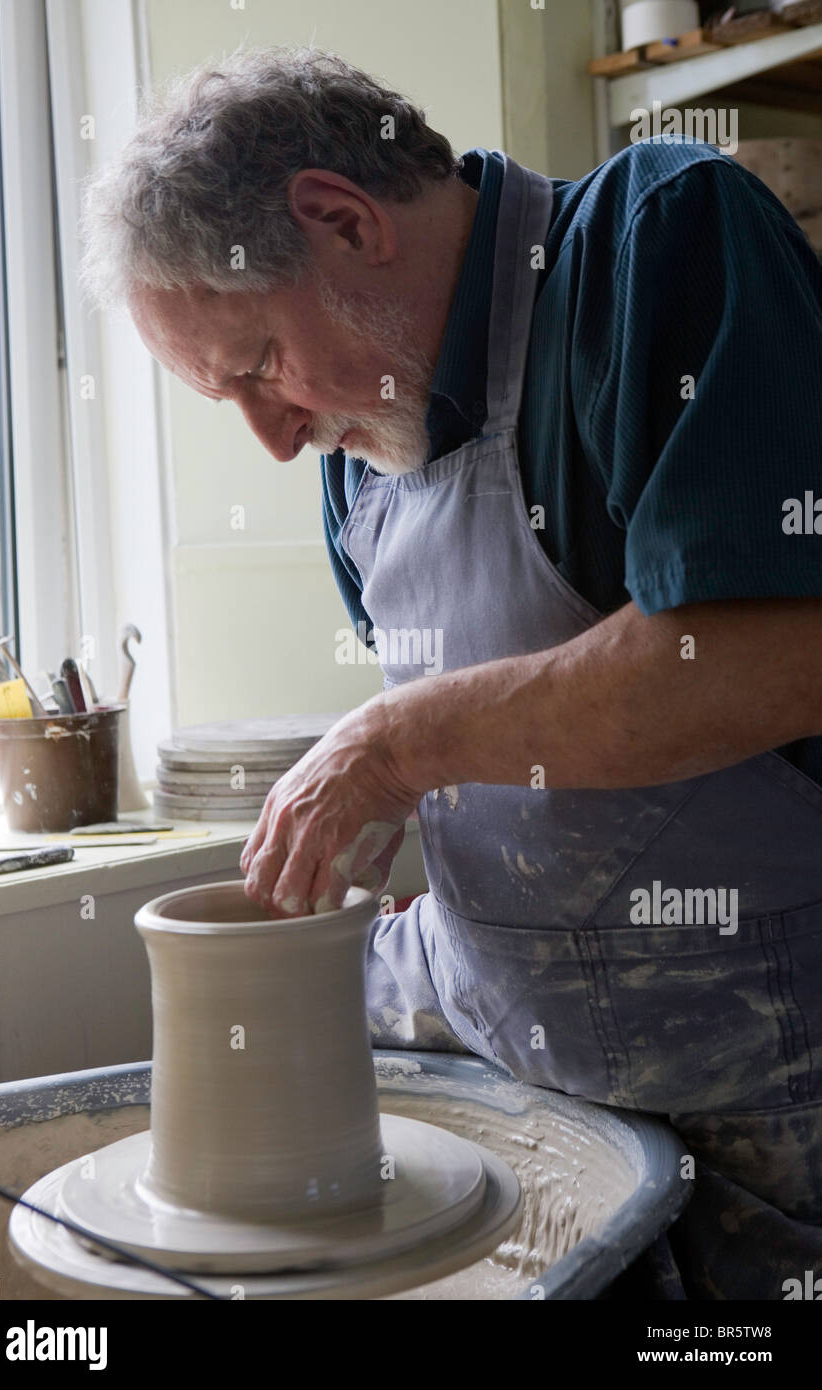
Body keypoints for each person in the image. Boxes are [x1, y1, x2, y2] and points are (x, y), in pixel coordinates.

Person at [82, 47, 822, 1299]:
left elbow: (766, 654)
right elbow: (515, 779)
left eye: (258, 363)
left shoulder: (657, 243)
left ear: (341, 219)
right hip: (527, 1074)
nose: (270, 439)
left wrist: (390, 743)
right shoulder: (354, 456)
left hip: (767, 1073)